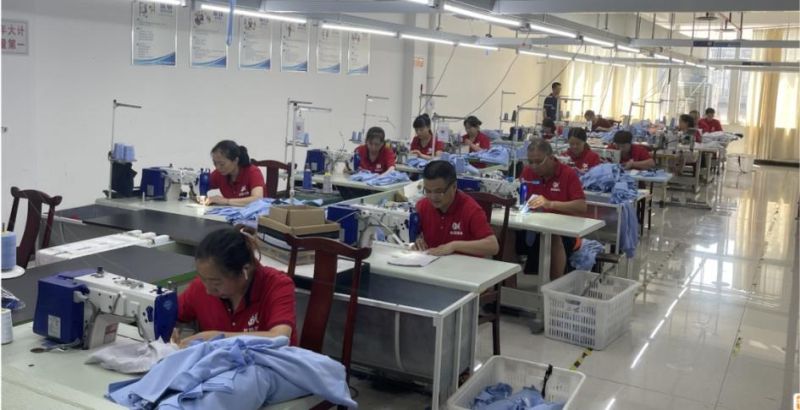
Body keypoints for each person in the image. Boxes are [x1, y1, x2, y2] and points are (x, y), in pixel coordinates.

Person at [175, 227, 296, 348]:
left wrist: (216, 338)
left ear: (245, 270)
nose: (208, 290)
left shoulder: (276, 285)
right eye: (202, 279)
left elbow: (279, 337)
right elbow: (173, 315)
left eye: (216, 283)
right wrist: (170, 328)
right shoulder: (200, 287)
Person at [517, 139, 587, 279]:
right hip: (533, 225)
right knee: (507, 234)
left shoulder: (568, 174)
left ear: (550, 157)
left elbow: (581, 206)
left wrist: (551, 204)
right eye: (530, 162)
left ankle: (554, 287)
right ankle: (507, 287)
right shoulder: (527, 172)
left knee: (553, 235)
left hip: (565, 231)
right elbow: (518, 196)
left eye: (538, 162)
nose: (534, 166)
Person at [414, 161, 499, 257]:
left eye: (439, 191)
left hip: (465, 265)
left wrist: (454, 246)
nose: (433, 197)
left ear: (454, 186)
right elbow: (414, 234)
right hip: (432, 262)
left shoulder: (471, 209)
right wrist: (417, 239)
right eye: (428, 191)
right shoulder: (422, 206)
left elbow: (493, 246)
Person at [206, 140, 265, 206]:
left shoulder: (252, 172)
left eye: (222, 164)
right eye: (215, 163)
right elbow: (202, 185)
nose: (217, 167)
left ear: (235, 160)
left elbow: (257, 199)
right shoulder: (219, 173)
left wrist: (226, 201)